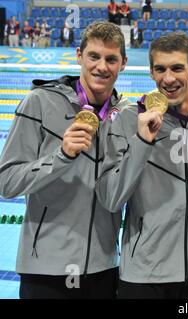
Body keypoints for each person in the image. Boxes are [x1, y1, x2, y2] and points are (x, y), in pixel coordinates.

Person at [95, 32, 188, 299]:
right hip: (141, 277)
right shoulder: (129, 119)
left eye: (177, 68)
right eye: (160, 69)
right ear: (151, 72)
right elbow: (111, 199)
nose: (168, 79)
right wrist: (141, 142)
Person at [0, 21, 129, 299]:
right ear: (78, 55)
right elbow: (6, 181)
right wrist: (61, 156)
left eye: (111, 59)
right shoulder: (39, 102)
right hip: (46, 269)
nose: (101, 67)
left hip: (103, 268)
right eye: (93, 56)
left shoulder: (126, 114)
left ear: (124, 63)